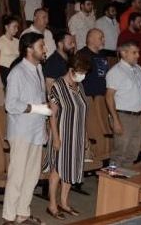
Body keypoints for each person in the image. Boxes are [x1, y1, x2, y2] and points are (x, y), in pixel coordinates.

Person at [2, 32, 52, 225]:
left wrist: (44, 125)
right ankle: (9, 217)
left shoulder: (38, 69)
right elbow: (10, 104)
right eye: (41, 46)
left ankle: (22, 214)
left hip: (36, 130)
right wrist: (37, 108)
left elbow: (40, 100)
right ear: (29, 49)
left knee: (31, 176)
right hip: (21, 131)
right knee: (17, 176)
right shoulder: (17, 72)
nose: (45, 49)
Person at [46, 51, 91, 220]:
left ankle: (64, 203)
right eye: (82, 72)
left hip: (77, 135)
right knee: (57, 169)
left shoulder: (80, 87)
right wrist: (56, 138)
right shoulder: (57, 86)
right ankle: (52, 204)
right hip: (62, 134)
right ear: (72, 70)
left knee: (71, 169)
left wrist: (85, 135)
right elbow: (52, 115)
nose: (83, 75)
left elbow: (82, 113)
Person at [105, 41, 141, 168]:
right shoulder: (116, 71)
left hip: (138, 115)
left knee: (133, 152)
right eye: (134, 52)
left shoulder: (139, 69)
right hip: (123, 116)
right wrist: (116, 120)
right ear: (123, 53)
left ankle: (126, 177)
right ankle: (113, 178)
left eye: (138, 52)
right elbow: (109, 97)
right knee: (120, 153)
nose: (138, 55)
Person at [80, 29, 109, 98]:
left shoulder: (102, 54)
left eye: (104, 38)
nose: (104, 41)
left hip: (103, 96)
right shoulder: (82, 55)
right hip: (89, 97)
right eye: (101, 38)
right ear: (91, 40)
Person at [0, 16, 21, 88]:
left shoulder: (17, 41)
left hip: (14, 73)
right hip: (2, 73)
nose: (17, 29)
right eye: (14, 27)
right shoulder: (0, 41)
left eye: (17, 27)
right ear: (6, 27)